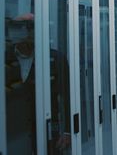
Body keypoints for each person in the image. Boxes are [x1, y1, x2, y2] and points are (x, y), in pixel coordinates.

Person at [5, 13, 71, 155]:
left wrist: (67, 131)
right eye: (20, 27)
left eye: (32, 27)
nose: (28, 32)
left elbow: (67, 96)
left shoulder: (55, 59)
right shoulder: (5, 59)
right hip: (11, 134)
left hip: (47, 129)